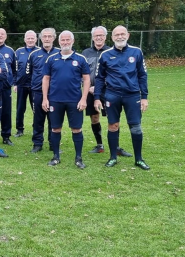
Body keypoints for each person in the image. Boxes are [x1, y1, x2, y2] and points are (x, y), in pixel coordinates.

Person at [93, 25, 151, 170]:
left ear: (128, 35)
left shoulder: (136, 52)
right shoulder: (105, 55)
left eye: (122, 34)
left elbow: (142, 75)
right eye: (116, 34)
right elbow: (99, 78)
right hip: (112, 95)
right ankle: (113, 157)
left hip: (132, 95)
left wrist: (144, 97)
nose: (120, 37)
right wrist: (97, 97)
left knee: (135, 127)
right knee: (113, 125)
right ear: (112, 37)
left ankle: (139, 159)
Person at [41, 31, 90, 168]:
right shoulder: (51, 59)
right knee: (55, 129)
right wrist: (45, 98)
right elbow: (46, 79)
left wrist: (84, 99)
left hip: (74, 100)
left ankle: (78, 158)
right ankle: (56, 156)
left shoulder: (80, 59)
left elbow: (86, 80)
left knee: (76, 129)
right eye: (63, 40)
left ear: (73, 41)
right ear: (59, 42)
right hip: (55, 100)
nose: (65, 42)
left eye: (68, 40)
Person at [82, 26, 132, 157]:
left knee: (113, 119)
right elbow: (80, 73)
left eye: (101, 35)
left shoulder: (111, 51)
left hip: (109, 90)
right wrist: (87, 86)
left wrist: (100, 86)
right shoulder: (85, 53)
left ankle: (116, 147)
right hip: (90, 91)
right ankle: (100, 145)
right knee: (94, 117)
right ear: (92, 37)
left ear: (105, 37)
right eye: (96, 36)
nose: (98, 38)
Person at [27, 28, 59, 153]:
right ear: (40, 38)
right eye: (44, 36)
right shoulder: (34, 54)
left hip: (55, 93)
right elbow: (28, 74)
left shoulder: (59, 53)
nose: (46, 39)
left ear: (54, 38)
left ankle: (53, 143)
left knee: (54, 119)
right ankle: (37, 143)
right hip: (38, 92)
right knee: (38, 119)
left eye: (49, 36)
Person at [0, 28, 16, 146]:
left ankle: (6, 136)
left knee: (6, 112)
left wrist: (13, 82)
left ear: (6, 37)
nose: (0, 36)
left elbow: (14, 69)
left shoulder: (10, 51)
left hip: (6, 87)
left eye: (2, 34)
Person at [14, 30, 38, 137]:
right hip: (21, 84)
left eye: (32, 38)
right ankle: (19, 129)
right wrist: (15, 83)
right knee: (20, 108)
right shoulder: (18, 52)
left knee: (36, 108)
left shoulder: (39, 51)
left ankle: (36, 128)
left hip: (36, 85)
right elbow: (14, 69)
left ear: (36, 39)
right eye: (28, 38)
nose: (30, 40)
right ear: (24, 39)